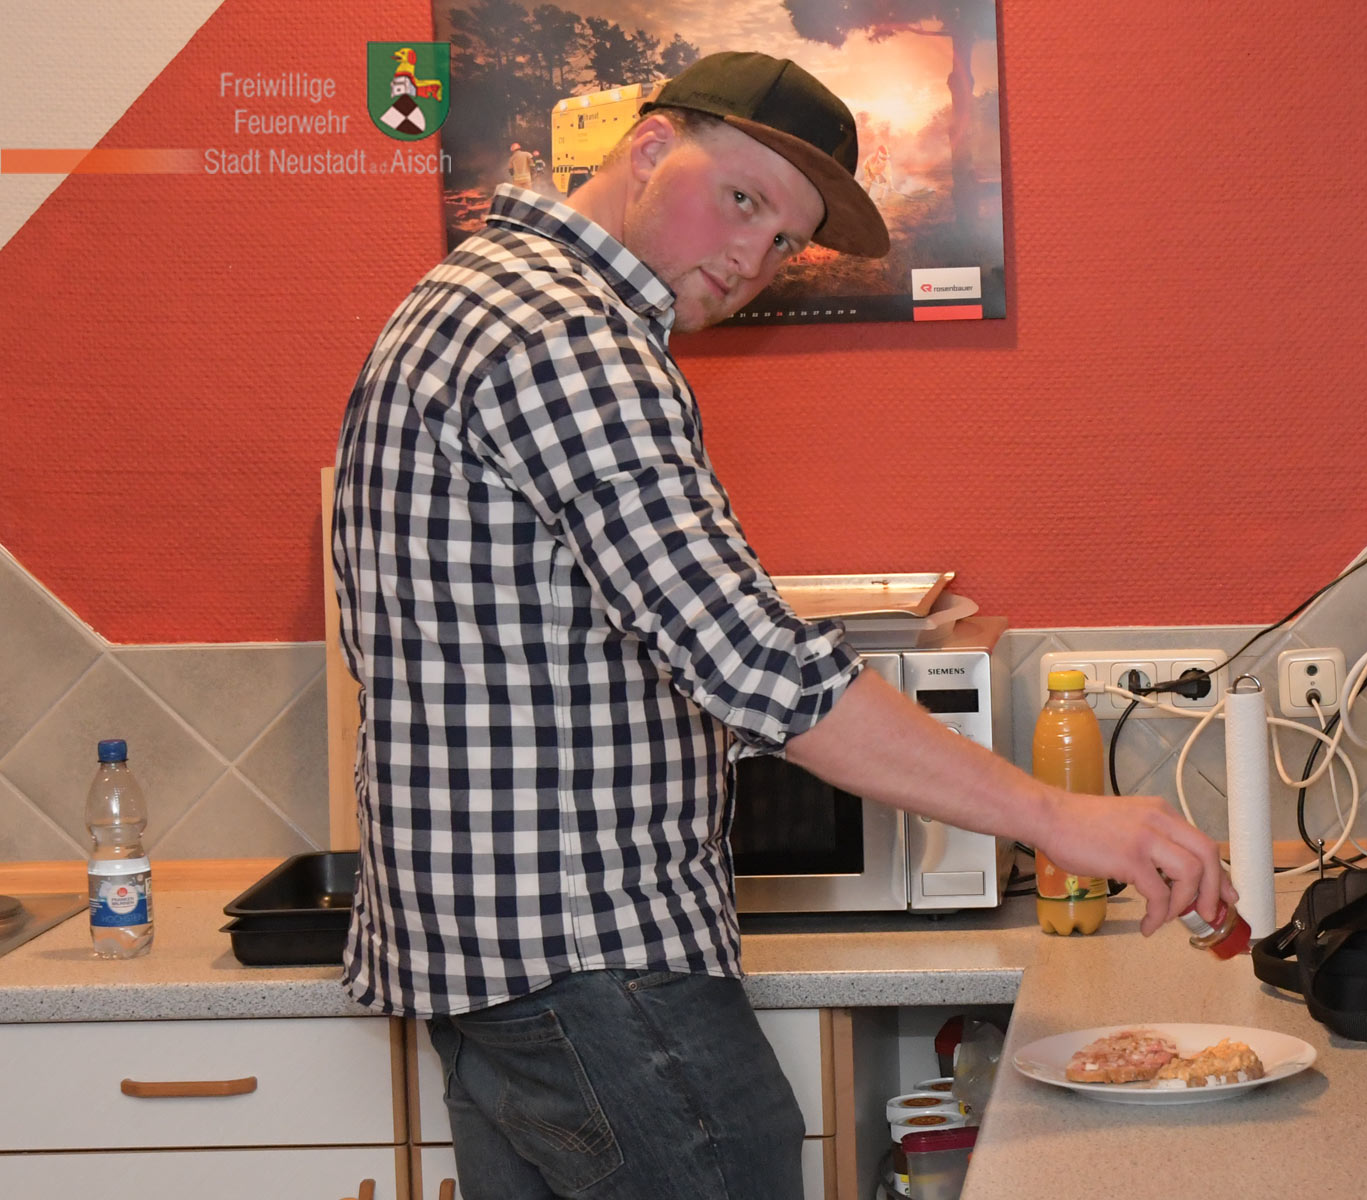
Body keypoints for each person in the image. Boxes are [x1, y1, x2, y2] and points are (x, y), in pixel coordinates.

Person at [333, 50, 1233, 1200]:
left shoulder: (465, 297)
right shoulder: (568, 338)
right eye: (741, 198)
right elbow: (756, 666)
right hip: (594, 960)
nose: (749, 259)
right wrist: (1060, 817)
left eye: (781, 240)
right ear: (649, 147)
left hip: (494, 973)